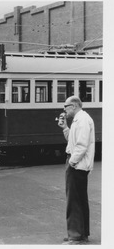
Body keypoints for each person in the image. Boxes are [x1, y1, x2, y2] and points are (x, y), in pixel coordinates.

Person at [57, 96, 95, 245]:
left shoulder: (83, 120)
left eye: (65, 106)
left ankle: (75, 236)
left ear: (73, 106)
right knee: (79, 199)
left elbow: (81, 145)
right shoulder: (79, 120)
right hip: (78, 164)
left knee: (74, 201)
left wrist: (71, 162)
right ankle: (82, 233)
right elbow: (72, 141)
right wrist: (65, 128)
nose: (64, 110)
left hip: (77, 164)